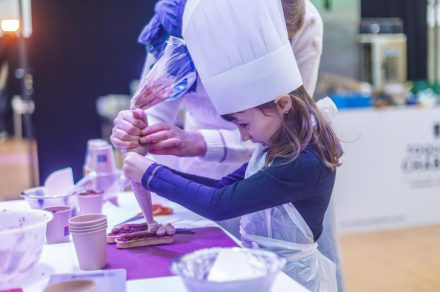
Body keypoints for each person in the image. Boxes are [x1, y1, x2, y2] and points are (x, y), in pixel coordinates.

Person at [111, 1, 346, 291]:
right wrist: (135, 127)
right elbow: (220, 188)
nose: (243, 134)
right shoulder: (179, 19)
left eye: (242, 125)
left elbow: (221, 202)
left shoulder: (294, 154)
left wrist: (155, 172)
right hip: (226, 178)